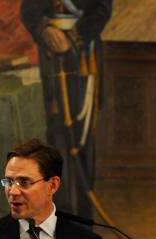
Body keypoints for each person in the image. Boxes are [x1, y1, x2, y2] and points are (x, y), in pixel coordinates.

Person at [20, 0, 112, 219]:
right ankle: (58, 213)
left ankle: (82, 217)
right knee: (56, 134)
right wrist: (44, 30)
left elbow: (101, 10)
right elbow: (29, 9)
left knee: (80, 136)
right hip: (51, 55)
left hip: (82, 56)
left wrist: (71, 38)